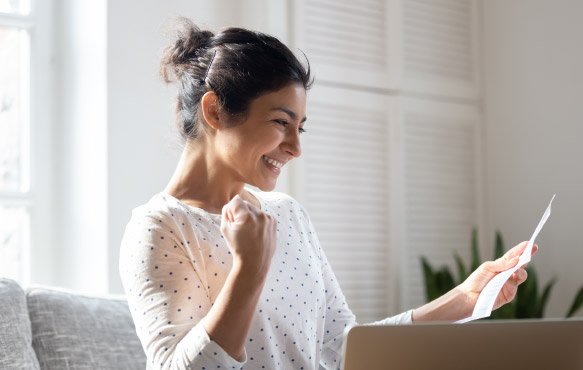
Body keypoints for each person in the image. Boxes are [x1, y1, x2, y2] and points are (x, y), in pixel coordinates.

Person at [119, 18, 535, 370]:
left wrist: (465, 298)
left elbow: (342, 349)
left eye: (300, 128)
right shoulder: (159, 227)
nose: (295, 148)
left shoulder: (287, 214)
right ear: (215, 111)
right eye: (282, 122)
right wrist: (248, 270)